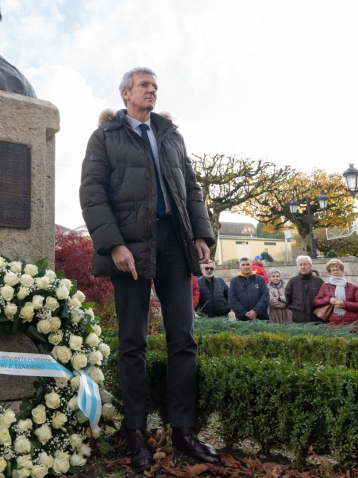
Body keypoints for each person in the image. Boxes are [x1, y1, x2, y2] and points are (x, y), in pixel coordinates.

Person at [79, 66, 220, 469]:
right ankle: (135, 433)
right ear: (125, 93)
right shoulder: (105, 136)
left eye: (155, 86)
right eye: (144, 85)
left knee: (184, 339)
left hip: (175, 242)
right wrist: (115, 244)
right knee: (133, 344)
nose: (152, 91)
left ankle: (184, 432)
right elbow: (91, 192)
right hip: (130, 247)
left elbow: (190, 188)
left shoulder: (170, 134)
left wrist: (200, 235)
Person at [312, 259, 358, 332]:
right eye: (333, 270)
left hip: (352, 324)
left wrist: (344, 304)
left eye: (338, 269)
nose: (335, 272)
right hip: (332, 325)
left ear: (342, 270)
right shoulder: (325, 286)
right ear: (329, 272)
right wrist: (329, 299)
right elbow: (316, 301)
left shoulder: (352, 286)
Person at [285, 255, 325, 322]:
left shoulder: (318, 281)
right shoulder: (293, 281)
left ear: (310, 265)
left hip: (315, 317)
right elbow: (288, 297)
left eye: (305, 264)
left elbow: (323, 297)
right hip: (299, 317)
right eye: (300, 265)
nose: (302, 267)